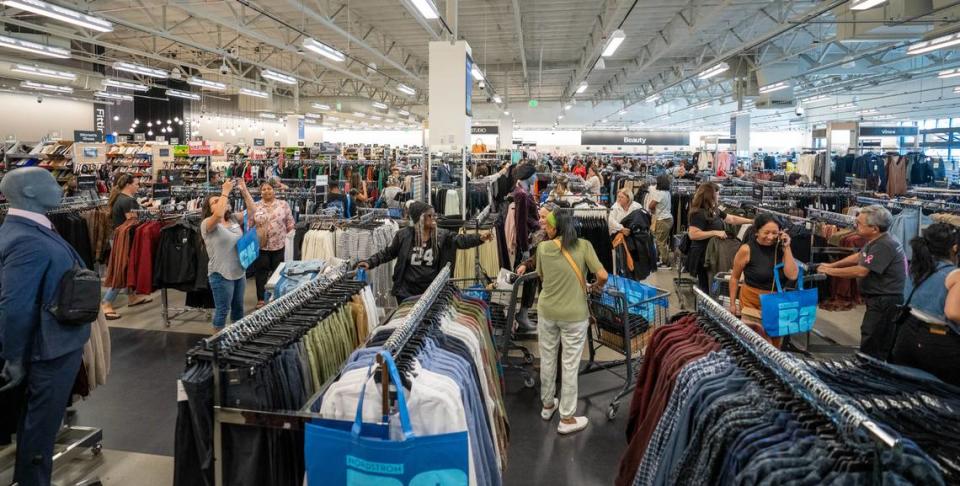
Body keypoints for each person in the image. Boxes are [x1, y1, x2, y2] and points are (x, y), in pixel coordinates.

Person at [0, 167, 94, 486]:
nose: (58, 186)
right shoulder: (26, 238)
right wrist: (13, 357)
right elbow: (14, 305)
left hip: (54, 344)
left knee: (39, 425)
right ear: (28, 192)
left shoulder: (33, 228)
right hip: (47, 350)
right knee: (39, 428)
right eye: (49, 181)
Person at [528, 208, 608, 435]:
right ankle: (567, 417)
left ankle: (547, 405)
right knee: (570, 364)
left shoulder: (543, 248)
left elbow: (542, 277)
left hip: (547, 311)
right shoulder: (584, 246)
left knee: (548, 358)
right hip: (575, 314)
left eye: (550, 226)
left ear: (558, 227)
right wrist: (595, 287)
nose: (548, 229)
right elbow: (602, 275)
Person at [816, 205, 906, 359]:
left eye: (859, 224)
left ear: (874, 228)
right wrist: (832, 265)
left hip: (884, 301)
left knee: (873, 340)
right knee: (872, 336)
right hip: (879, 299)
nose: (854, 226)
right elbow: (859, 256)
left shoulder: (883, 244)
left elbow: (860, 270)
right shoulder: (877, 240)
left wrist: (830, 272)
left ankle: (870, 374)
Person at [357, 201, 492, 302]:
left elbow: (461, 240)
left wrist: (479, 237)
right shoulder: (403, 235)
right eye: (430, 215)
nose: (434, 218)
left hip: (432, 292)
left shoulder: (442, 236)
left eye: (434, 215)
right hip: (406, 293)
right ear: (419, 218)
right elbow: (388, 253)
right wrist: (370, 262)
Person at [888, 223, 959, 383]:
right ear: (954, 248)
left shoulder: (918, 267)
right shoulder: (955, 275)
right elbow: (953, 313)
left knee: (906, 389)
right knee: (945, 396)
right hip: (938, 341)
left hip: (906, 334)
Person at [201, 178, 257, 330]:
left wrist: (244, 189)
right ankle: (217, 347)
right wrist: (224, 191)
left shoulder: (232, 218)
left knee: (238, 309)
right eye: (215, 202)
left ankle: (236, 342)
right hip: (221, 275)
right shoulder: (207, 224)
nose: (220, 203)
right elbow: (218, 214)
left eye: (221, 200)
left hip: (239, 272)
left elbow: (253, 210)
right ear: (209, 209)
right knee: (222, 311)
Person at [728, 214, 799, 319]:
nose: (770, 237)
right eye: (766, 232)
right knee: (751, 333)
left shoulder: (782, 249)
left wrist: (787, 247)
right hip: (751, 302)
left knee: (772, 335)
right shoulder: (746, 249)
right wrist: (732, 304)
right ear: (757, 232)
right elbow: (734, 278)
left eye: (774, 233)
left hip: (775, 302)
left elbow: (793, 275)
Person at [686, 182, 753, 291]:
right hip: (702, 255)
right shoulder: (698, 213)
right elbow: (693, 234)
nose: (719, 196)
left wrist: (751, 221)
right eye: (717, 194)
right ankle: (703, 306)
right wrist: (715, 232)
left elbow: (731, 219)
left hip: (712, 253)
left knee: (710, 283)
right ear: (710, 195)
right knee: (705, 286)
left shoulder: (714, 210)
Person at [101, 174, 150, 319]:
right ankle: (106, 303)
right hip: (125, 240)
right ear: (128, 185)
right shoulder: (129, 201)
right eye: (136, 184)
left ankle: (132, 297)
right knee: (121, 270)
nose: (138, 186)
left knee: (127, 268)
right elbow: (132, 222)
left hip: (118, 238)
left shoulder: (119, 198)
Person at [252, 181, 295, 309]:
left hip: (279, 245)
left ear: (274, 190)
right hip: (261, 246)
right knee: (261, 273)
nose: (266, 191)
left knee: (278, 271)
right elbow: (249, 222)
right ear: (260, 192)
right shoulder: (255, 206)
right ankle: (260, 298)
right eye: (263, 189)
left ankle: (277, 296)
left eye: (269, 188)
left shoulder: (283, 204)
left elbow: (290, 221)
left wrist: (290, 235)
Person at [646, 174, 674, 267]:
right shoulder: (667, 192)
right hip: (669, 218)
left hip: (662, 220)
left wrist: (653, 211)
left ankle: (666, 261)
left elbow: (650, 206)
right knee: (662, 241)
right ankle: (658, 257)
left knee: (660, 242)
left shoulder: (659, 193)